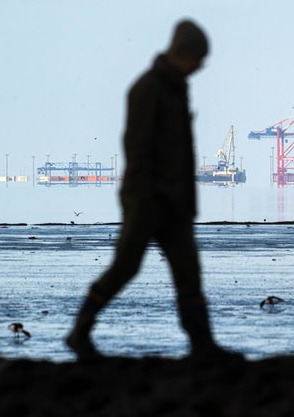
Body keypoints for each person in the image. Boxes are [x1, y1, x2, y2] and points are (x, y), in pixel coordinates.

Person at [66, 19, 229, 360]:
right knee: (126, 266)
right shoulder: (147, 89)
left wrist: (185, 200)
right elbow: (136, 149)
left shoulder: (175, 88)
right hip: (147, 199)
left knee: (188, 271)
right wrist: (146, 199)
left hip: (176, 201)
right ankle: (80, 331)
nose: (201, 67)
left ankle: (203, 345)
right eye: (198, 59)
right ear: (182, 54)